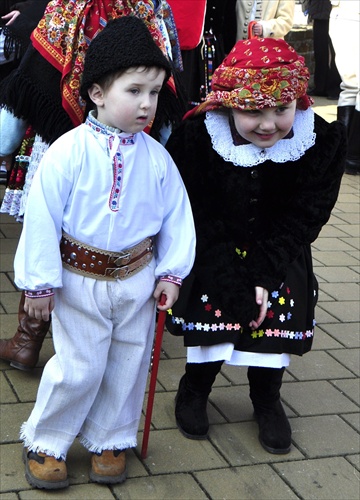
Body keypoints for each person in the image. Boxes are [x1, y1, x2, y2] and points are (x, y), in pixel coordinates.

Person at [14, 16, 195, 490]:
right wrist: (39, 282)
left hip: (138, 279)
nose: (147, 104)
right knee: (79, 365)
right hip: (79, 280)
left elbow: (177, 217)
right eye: (134, 90)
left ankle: (110, 437)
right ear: (97, 93)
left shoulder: (158, 158)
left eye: (154, 93)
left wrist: (171, 273)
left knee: (128, 363)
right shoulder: (67, 153)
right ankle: (47, 440)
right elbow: (42, 219)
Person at [165, 37, 345, 455]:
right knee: (212, 325)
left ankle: (266, 397)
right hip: (216, 250)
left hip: (280, 253)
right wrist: (231, 275)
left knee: (271, 334)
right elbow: (195, 209)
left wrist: (265, 272)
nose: (268, 125)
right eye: (253, 111)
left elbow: (306, 213)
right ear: (228, 105)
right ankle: (195, 388)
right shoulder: (197, 138)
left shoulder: (318, 140)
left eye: (281, 110)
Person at [0, 0, 186, 371]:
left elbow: (30, 77)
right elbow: (169, 83)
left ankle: (29, 337)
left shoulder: (64, 7)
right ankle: (108, 345)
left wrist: (5, 141)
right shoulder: (150, 10)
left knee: (56, 223)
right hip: (134, 147)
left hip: (65, 139)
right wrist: (167, 147)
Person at [329, 0, 360, 175]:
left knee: (350, 86)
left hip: (342, 14)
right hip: (350, 14)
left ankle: (345, 155)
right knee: (351, 86)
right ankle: (353, 156)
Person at [305, 0, 341, 100]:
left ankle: (334, 88)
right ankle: (320, 87)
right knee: (320, 50)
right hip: (319, 12)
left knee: (334, 51)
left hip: (335, 12)